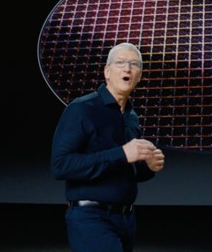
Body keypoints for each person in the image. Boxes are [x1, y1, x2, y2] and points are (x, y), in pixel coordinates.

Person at [51, 42, 165, 252]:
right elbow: (61, 165)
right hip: (90, 217)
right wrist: (122, 153)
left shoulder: (131, 117)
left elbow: (126, 170)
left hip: (126, 219)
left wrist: (148, 166)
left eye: (134, 64)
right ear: (107, 71)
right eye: (120, 62)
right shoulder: (81, 109)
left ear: (139, 76)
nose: (127, 68)